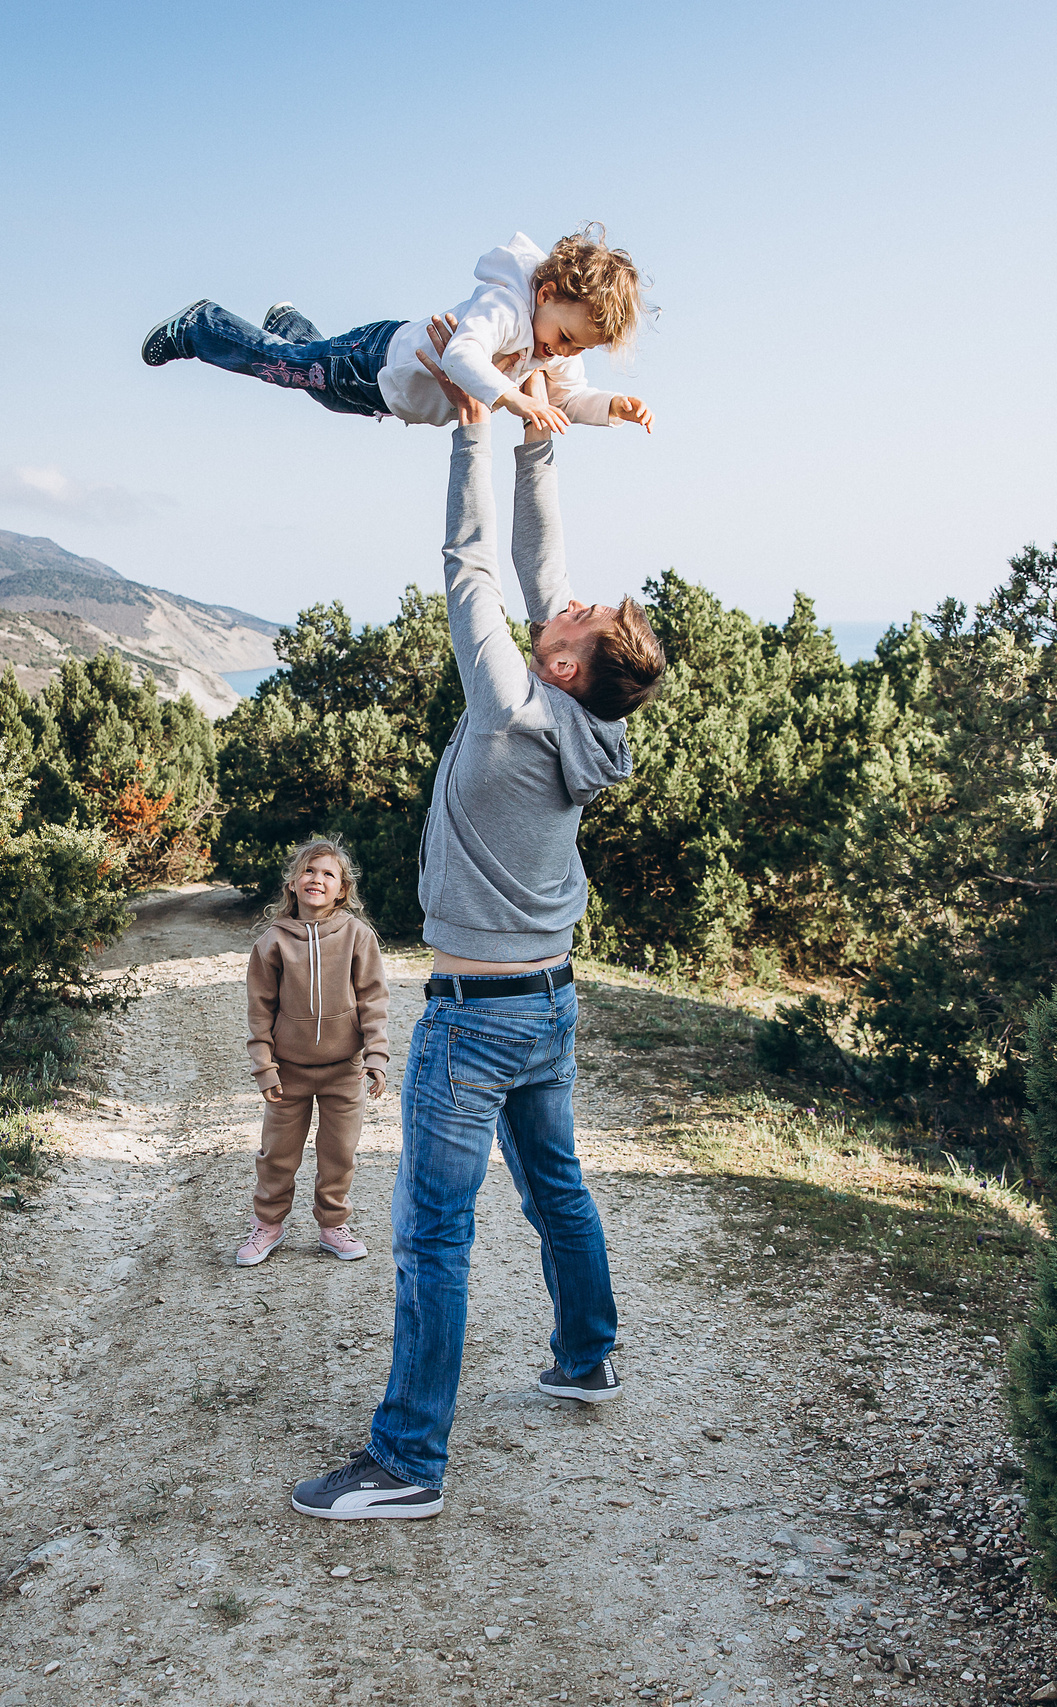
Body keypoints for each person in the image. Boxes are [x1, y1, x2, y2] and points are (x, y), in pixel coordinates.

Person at [290, 333, 668, 1522]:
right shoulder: (581, 716)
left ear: (563, 664)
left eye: (584, 618)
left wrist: (468, 428)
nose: (577, 600)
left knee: (433, 1241)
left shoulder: (509, 711)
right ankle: (588, 1353)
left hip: (475, 1017)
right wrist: (540, 449)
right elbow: (533, 564)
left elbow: (468, 565)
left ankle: (407, 1462)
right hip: (547, 1001)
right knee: (557, 1185)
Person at [141, 225, 656, 435]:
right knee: (284, 369)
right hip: (374, 362)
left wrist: (610, 406)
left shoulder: (552, 340)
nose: (561, 352)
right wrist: (514, 400)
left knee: (323, 387)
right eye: (566, 338)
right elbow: (461, 356)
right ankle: (200, 326)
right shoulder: (506, 308)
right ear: (546, 294)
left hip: (382, 389)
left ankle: (289, 324)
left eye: (576, 348)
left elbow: (565, 397)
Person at [237, 837, 393, 1267]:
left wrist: (376, 1057)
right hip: (288, 1072)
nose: (317, 879)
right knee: (277, 1154)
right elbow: (259, 1010)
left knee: (339, 1153)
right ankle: (268, 1224)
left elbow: (373, 1001)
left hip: (345, 1070)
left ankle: (332, 1226)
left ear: (342, 889)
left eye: (328, 874)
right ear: (292, 882)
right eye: (309, 871)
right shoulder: (273, 942)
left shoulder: (358, 936)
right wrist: (264, 1068)